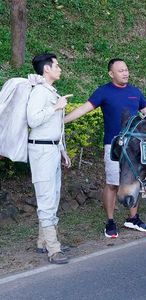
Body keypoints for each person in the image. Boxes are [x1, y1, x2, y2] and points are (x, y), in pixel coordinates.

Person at [64, 58, 146, 238]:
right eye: (120, 70)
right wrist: (61, 121)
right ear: (111, 74)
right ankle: (110, 222)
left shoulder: (135, 91)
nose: (125, 73)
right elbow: (83, 109)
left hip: (134, 147)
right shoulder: (103, 92)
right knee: (112, 184)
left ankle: (133, 218)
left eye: (126, 69)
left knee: (135, 181)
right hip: (114, 145)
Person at [27, 53, 72, 264]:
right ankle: (54, 249)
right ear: (46, 69)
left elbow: (54, 126)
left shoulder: (50, 91)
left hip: (51, 149)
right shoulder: (39, 92)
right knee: (46, 198)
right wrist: (56, 107)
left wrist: (62, 149)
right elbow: (33, 119)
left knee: (52, 196)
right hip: (41, 151)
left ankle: (42, 241)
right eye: (57, 65)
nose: (59, 69)